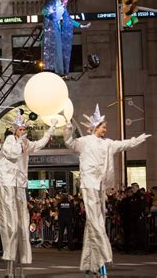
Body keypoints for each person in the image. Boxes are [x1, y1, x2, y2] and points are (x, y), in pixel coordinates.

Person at [64, 104, 151, 277]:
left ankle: (90, 264)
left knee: (93, 224)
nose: (106, 129)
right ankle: (104, 253)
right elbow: (69, 143)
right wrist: (68, 127)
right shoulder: (85, 142)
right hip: (88, 185)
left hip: (99, 186)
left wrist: (137, 140)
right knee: (96, 223)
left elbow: (123, 145)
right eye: (104, 126)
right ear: (96, 127)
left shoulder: (107, 144)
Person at [0, 109, 55, 277]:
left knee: (22, 225)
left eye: (24, 129)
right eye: (20, 129)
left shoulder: (25, 143)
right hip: (7, 185)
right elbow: (12, 154)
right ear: (14, 130)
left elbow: (39, 144)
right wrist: (20, 141)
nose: (23, 132)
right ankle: (9, 267)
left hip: (20, 186)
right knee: (11, 225)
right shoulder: (9, 140)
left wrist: (50, 130)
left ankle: (20, 267)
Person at [41, 0, 91, 76]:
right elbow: (44, 11)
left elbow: (68, 19)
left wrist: (81, 26)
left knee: (59, 49)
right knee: (53, 49)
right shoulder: (54, 2)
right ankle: (52, 69)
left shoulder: (63, 7)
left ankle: (59, 71)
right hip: (50, 29)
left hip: (56, 28)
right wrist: (50, 15)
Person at [129, 183, 147, 254]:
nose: (132, 189)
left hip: (139, 217)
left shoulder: (140, 196)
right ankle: (137, 248)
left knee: (141, 233)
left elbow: (142, 206)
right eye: (131, 188)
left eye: (133, 188)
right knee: (136, 233)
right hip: (134, 217)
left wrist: (139, 214)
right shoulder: (134, 196)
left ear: (137, 187)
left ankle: (142, 249)